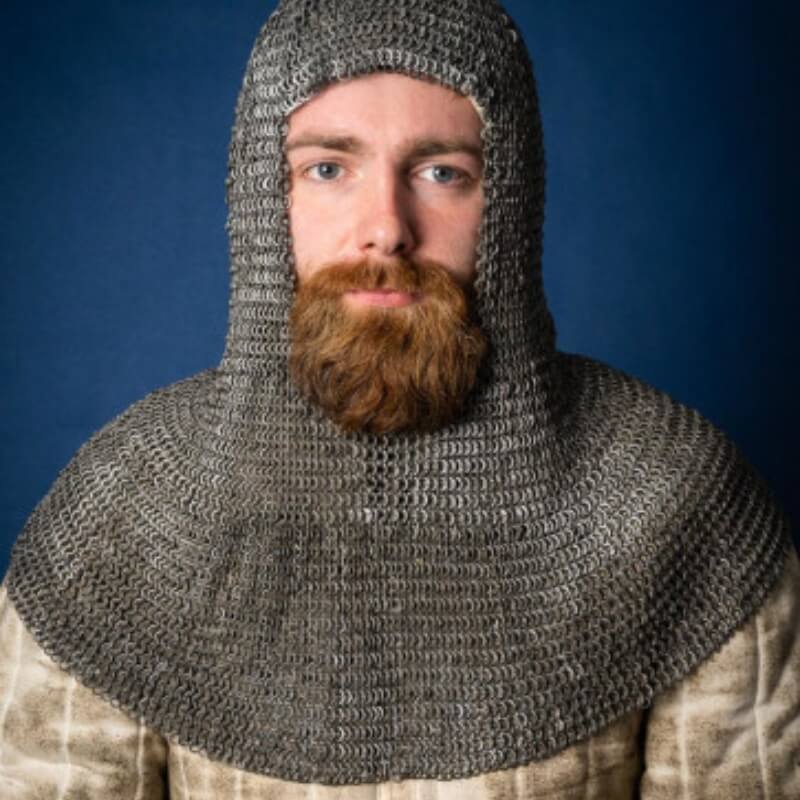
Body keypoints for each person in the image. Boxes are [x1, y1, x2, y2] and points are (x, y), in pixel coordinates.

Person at [1, 0, 798, 797]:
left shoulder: (673, 501)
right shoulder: (127, 511)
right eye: (328, 168)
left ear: (510, 201)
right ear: (266, 199)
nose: (386, 228)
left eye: (441, 172)